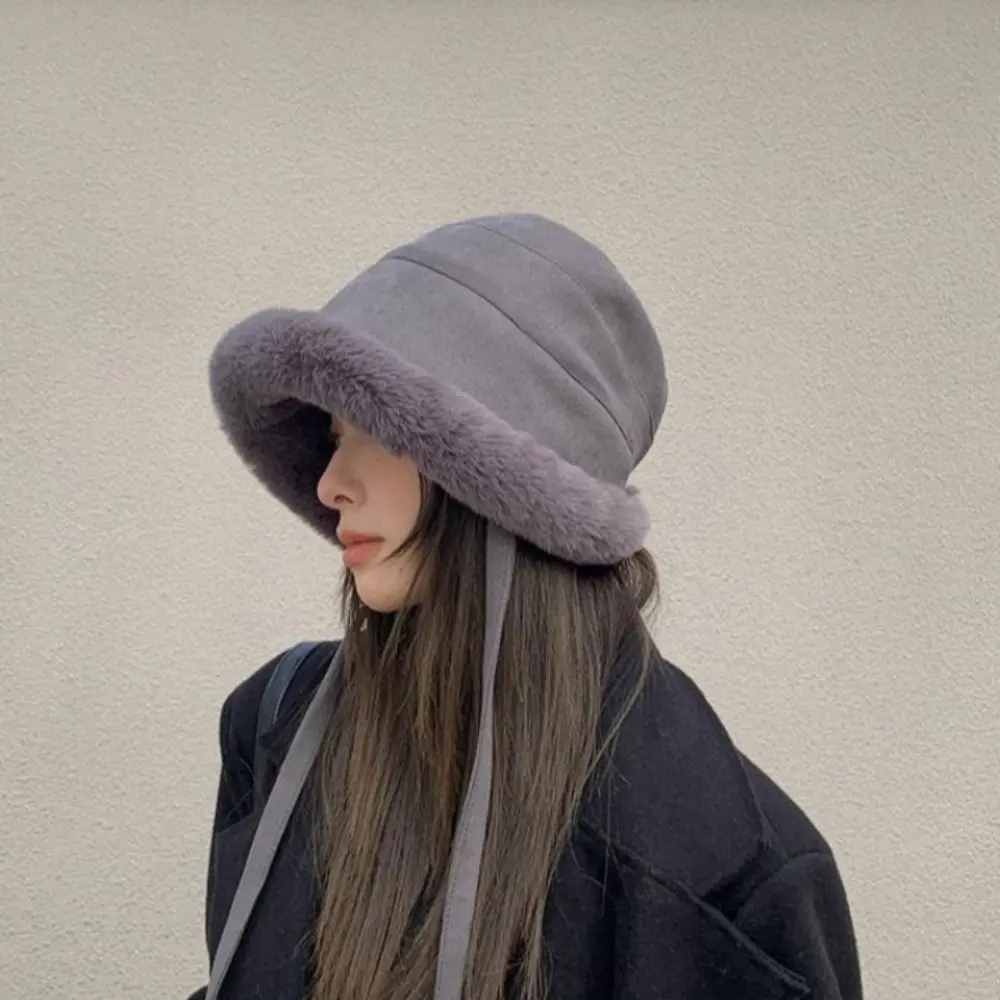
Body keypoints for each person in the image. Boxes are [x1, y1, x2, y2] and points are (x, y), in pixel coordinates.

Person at [189, 214, 863, 1000]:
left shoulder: (727, 878)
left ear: (496, 478)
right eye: (334, 438)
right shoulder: (275, 727)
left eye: (373, 430)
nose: (329, 483)